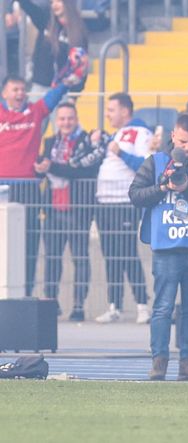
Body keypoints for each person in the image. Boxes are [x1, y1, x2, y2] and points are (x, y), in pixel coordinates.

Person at [128, 113, 188, 382]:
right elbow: (135, 195)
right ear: (173, 136)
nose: (187, 147)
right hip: (165, 247)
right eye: (183, 141)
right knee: (163, 307)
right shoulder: (155, 162)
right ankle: (159, 361)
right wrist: (162, 186)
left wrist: (187, 188)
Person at [34, 102, 104, 321]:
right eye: (62, 119)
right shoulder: (49, 142)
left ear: (76, 118)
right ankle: (51, 303)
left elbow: (83, 170)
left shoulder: (86, 140)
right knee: (52, 258)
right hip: (53, 208)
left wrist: (50, 167)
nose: (66, 123)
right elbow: (42, 172)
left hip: (78, 209)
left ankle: (78, 306)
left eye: (69, 118)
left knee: (80, 258)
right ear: (57, 121)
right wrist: (39, 169)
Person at [0, 74, 68, 297]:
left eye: (22, 90)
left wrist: (66, 80)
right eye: (15, 90)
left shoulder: (36, 111)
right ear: (4, 93)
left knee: (29, 242)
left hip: (28, 187)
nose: (20, 94)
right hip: (2, 187)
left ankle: (26, 291)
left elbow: (54, 96)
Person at [95, 92, 152, 324]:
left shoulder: (141, 132)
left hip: (124, 201)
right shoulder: (116, 133)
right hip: (104, 202)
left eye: (111, 110)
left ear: (125, 111)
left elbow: (147, 164)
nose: (108, 115)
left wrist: (122, 153)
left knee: (128, 253)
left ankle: (141, 305)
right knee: (110, 256)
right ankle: (114, 305)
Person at [18, 0, 88, 96]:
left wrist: (73, 97)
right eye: (51, 2)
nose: (54, 5)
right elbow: (30, 8)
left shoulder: (79, 31)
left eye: (58, 1)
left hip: (63, 90)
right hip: (40, 87)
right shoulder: (45, 20)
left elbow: (81, 66)